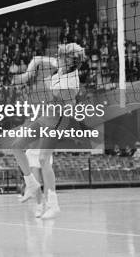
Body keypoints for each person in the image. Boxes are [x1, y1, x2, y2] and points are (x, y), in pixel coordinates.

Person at [12, 42, 86, 219]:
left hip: (58, 120)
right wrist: (27, 73)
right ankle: (31, 185)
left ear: (70, 61)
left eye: (62, 56)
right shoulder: (61, 65)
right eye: (59, 56)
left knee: (44, 159)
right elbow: (38, 59)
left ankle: (53, 204)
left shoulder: (71, 82)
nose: (58, 58)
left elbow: (67, 104)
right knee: (16, 146)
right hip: (47, 115)